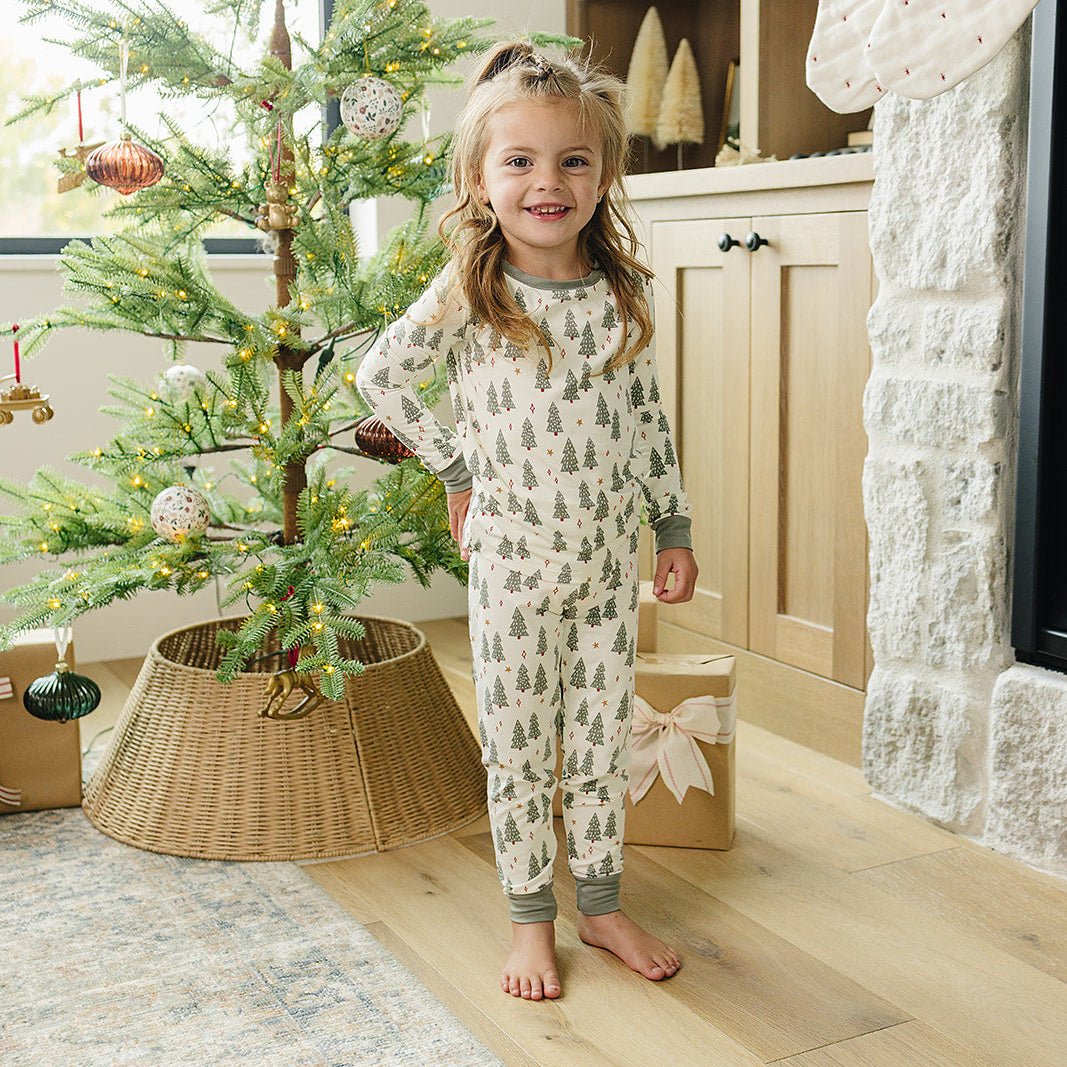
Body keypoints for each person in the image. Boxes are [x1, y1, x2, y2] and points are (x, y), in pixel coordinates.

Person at [355, 39, 698, 1001]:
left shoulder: (621, 294)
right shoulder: (472, 289)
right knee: (516, 748)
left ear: (602, 175)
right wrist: (457, 464)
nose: (547, 181)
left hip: (603, 568)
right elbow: (379, 376)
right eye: (519, 161)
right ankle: (528, 920)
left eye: (572, 160)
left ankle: (600, 904)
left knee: (596, 743)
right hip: (511, 565)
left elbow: (646, 420)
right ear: (478, 178)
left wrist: (669, 526)